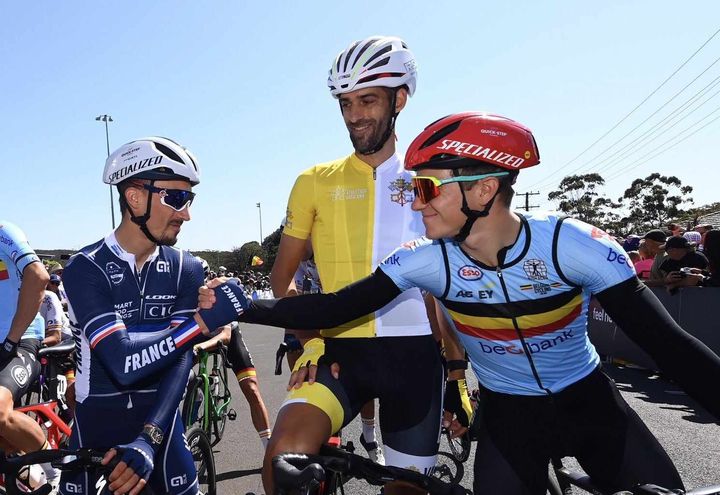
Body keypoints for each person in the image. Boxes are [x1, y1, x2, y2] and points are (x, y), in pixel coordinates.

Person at [201, 112, 720, 494]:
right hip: (509, 417)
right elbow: (333, 308)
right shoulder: (426, 260)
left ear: (484, 191)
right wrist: (243, 305)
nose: (414, 200)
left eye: (427, 189)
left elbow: (670, 350)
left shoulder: (574, 245)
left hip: (591, 405)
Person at [267, 35, 452, 494]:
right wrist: (310, 343)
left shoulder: (428, 179)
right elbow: (280, 280)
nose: (354, 115)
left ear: (400, 99)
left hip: (414, 357)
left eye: (367, 100)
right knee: (281, 465)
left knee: (405, 489)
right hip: (338, 354)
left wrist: (459, 373)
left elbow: (448, 284)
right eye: (345, 102)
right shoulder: (314, 181)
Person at [60, 137, 238, 495]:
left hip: (162, 428)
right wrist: (201, 324)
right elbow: (123, 362)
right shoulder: (85, 268)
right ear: (135, 197)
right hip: (95, 429)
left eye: (189, 200)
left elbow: (179, 358)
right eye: (175, 198)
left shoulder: (186, 268)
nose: (186, 213)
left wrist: (150, 437)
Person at [0, 221, 60, 487]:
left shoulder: (4, 232)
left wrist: (12, 340)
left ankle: (56, 473)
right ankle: (24, 469)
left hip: (21, 340)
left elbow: (38, 275)